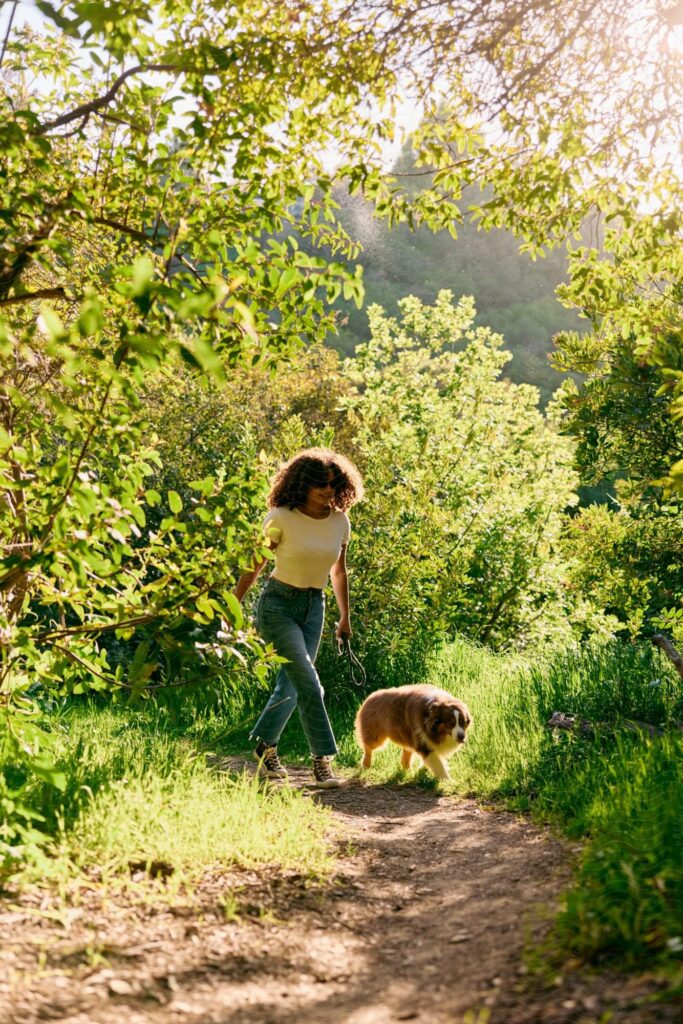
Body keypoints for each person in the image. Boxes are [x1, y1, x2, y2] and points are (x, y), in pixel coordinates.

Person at [234, 448, 364, 789]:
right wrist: (233, 604)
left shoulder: (340, 520)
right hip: (278, 605)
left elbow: (339, 571)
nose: (327, 491)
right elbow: (256, 564)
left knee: (292, 684)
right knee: (309, 681)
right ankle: (323, 760)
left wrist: (345, 616)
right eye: (320, 484)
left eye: (333, 484)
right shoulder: (281, 517)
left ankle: (265, 745)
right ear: (302, 483)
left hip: (314, 607)